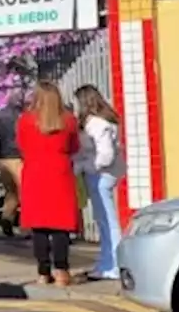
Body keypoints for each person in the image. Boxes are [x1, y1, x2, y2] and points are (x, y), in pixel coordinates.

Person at [16, 81, 80, 287]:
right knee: (61, 226)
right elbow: (74, 147)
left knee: (39, 227)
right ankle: (62, 270)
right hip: (59, 173)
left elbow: (22, 146)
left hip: (35, 173)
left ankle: (43, 272)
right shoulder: (68, 121)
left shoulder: (26, 121)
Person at [72, 85, 125, 281]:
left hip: (101, 175)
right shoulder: (101, 121)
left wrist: (86, 166)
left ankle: (114, 265)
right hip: (100, 174)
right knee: (104, 221)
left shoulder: (97, 124)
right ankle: (106, 262)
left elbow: (105, 155)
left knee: (107, 222)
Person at [0, 90, 25, 237]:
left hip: (2, 157)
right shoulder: (20, 116)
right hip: (16, 157)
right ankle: (27, 226)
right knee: (24, 191)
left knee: (11, 192)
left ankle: (7, 218)